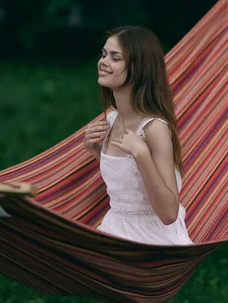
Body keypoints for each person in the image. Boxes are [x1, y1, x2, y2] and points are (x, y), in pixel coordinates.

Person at [83, 25, 193, 245]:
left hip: (150, 241)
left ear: (139, 68)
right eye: (104, 54)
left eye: (115, 58)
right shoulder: (112, 119)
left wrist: (142, 154)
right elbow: (130, 183)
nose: (103, 62)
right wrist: (96, 151)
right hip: (114, 227)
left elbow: (169, 214)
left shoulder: (154, 128)